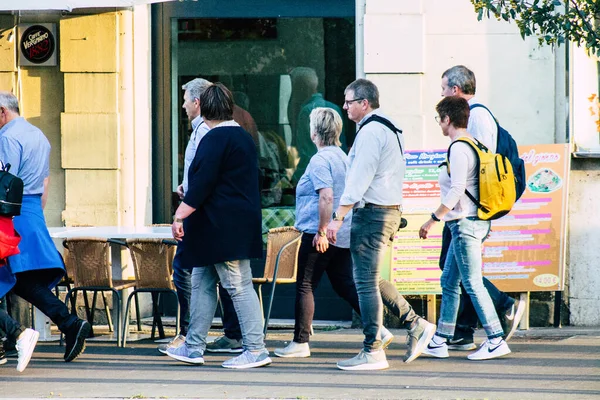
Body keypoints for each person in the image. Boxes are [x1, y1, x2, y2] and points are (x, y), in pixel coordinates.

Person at [327, 79, 436, 371]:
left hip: (373, 214)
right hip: (386, 212)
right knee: (371, 280)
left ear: (364, 103)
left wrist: (337, 218)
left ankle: (372, 350)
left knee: (363, 283)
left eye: (348, 101)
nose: (344, 106)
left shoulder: (371, 131)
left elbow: (358, 180)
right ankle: (416, 324)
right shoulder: (388, 127)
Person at [273, 107, 393, 358]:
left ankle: (300, 342)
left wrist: (321, 231)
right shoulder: (343, 156)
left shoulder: (320, 160)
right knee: (344, 284)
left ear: (314, 132)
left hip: (321, 234)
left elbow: (326, 197)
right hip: (343, 232)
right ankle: (378, 329)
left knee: (305, 285)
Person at [167, 83, 271, 369]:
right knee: (201, 281)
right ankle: (193, 346)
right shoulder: (242, 136)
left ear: (204, 107)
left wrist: (179, 216)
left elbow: (201, 185)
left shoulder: (214, 138)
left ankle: (256, 349)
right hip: (231, 226)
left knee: (238, 285)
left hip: (220, 228)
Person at [439, 65, 526, 349]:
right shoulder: (477, 115)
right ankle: (460, 331)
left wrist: (439, 215)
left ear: (455, 90)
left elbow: (479, 169)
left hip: (467, 212)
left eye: (443, 89)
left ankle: (502, 306)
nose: (441, 94)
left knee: (465, 275)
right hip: (465, 213)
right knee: (455, 272)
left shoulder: (476, 117)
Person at [0, 91, 90, 363]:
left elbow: (5, 180)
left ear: (2, 111)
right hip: (30, 211)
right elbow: (46, 181)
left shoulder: (7, 137)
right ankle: (69, 324)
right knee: (23, 281)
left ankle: (14, 337)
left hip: (11, 214)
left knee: (13, 278)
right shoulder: (38, 135)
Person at [419, 96, 510, 361]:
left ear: (448, 119)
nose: (439, 124)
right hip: (476, 221)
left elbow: (458, 189)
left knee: (471, 282)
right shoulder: (476, 144)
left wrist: (432, 219)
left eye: (439, 119)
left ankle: (495, 339)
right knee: (449, 281)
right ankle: (440, 340)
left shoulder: (459, 147)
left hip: (464, 224)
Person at [159, 78, 243, 355]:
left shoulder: (211, 132)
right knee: (208, 278)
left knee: (191, 273)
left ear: (198, 102)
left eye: (185, 100)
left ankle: (193, 337)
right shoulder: (201, 130)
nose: (182, 105)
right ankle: (216, 338)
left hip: (202, 214)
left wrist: (183, 212)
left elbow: (208, 176)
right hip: (199, 209)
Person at [289, 67, 346, 183]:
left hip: (315, 177)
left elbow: (307, 152)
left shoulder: (306, 112)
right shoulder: (335, 108)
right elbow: (341, 144)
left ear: (301, 87)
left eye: (294, 87)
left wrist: (294, 179)